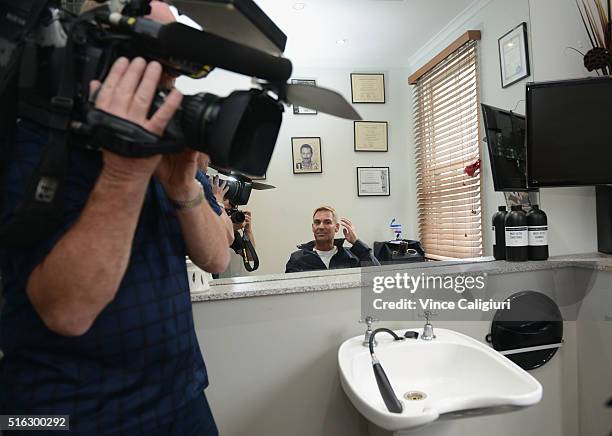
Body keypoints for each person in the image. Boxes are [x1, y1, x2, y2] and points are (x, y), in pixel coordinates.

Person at [0, 2, 230, 434]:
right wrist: (125, 170)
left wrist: (183, 187)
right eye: (150, 58)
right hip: (66, 413)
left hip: (181, 399)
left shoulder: (171, 142)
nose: (165, 81)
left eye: (173, 70)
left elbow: (217, 257)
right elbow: (67, 313)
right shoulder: (36, 138)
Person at [285, 205, 380, 273]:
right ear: (313, 227)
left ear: (337, 227)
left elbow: (377, 276)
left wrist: (356, 243)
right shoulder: (297, 259)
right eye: (317, 222)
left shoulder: (351, 257)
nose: (321, 227)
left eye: (327, 222)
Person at [209, 175, 257, 277]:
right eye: (224, 209)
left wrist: (248, 230)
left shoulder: (234, 231)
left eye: (232, 209)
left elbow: (250, 257)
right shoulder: (207, 223)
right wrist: (227, 229)